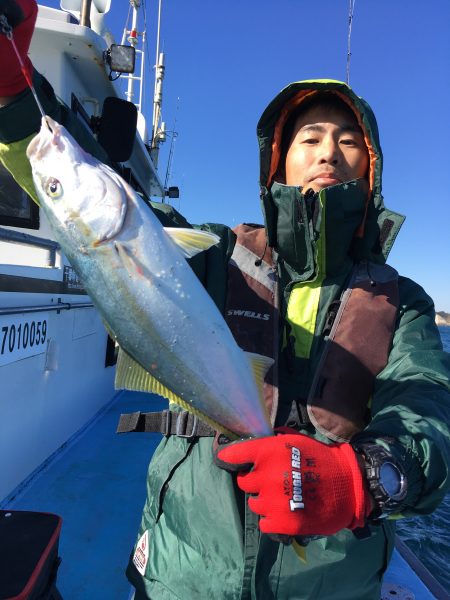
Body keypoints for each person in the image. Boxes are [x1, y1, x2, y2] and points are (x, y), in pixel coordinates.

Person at [1, 3, 449, 599]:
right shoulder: (214, 252)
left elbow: (427, 410)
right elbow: (90, 177)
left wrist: (359, 478)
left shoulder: (403, 302)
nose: (327, 152)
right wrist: (12, 93)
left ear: (369, 170)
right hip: (185, 572)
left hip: (329, 583)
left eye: (347, 141)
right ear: (277, 161)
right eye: (309, 137)